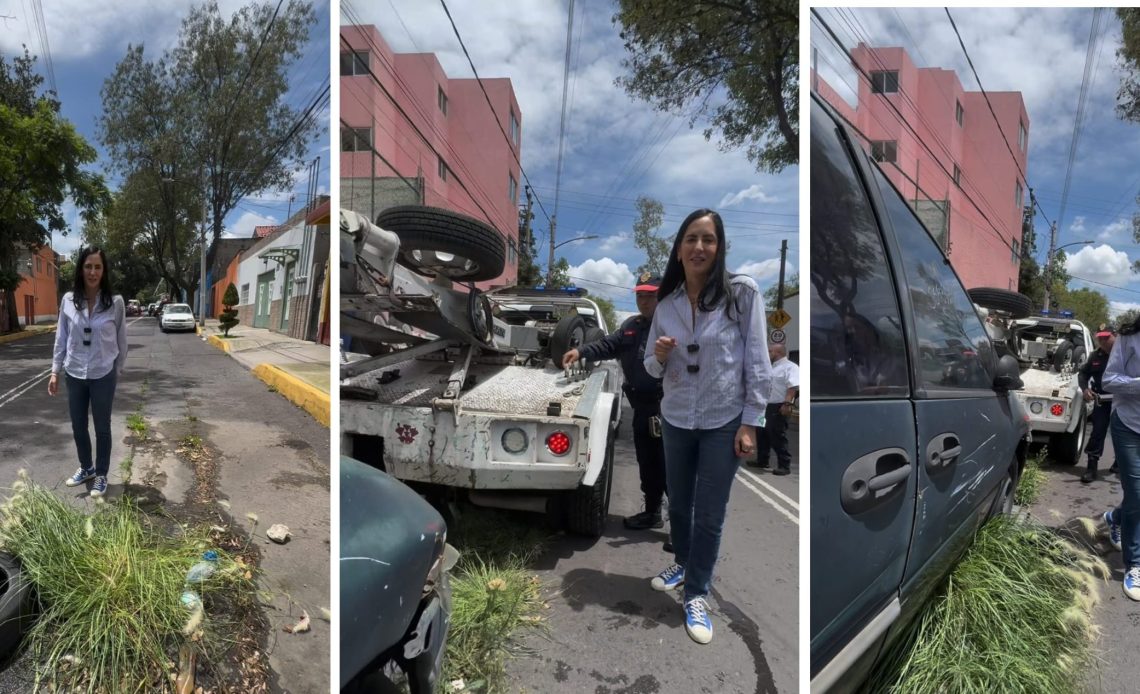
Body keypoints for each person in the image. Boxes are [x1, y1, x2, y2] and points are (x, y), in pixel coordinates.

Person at [643, 208, 771, 644]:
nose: (699, 247)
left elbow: (757, 359)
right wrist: (659, 356)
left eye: (709, 239)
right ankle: (682, 562)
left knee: (710, 515)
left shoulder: (742, 293)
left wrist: (751, 422)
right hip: (677, 418)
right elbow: (649, 368)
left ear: (720, 248)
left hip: (723, 420)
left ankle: (696, 592)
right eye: (691, 239)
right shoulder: (667, 305)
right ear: (678, 250)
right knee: (678, 504)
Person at [563, 274, 668, 538]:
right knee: (647, 463)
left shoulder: (671, 326)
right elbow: (609, 344)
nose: (644, 301)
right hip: (642, 409)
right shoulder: (631, 326)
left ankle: (680, 528)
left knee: (671, 467)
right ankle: (653, 512)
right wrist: (582, 351)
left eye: (650, 295)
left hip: (667, 409)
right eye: (640, 295)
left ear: (661, 296)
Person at [48, 246, 128, 498]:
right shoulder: (69, 300)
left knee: (102, 427)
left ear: (103, 271)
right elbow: (61, 337)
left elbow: (122, 340)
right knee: (78, 425)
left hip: (103, 374)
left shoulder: (115, 303)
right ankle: (87, 467)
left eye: (97, 267)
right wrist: (55, 371)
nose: (92, 272)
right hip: (75, 373)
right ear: (81, 269)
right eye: (88, 266)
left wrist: (117, 370)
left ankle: (102, 474)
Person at [1101, 316, 1140, 601]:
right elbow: (1109, 380)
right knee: (1137, 495)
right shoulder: (1129, 337)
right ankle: (1135, 564)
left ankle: (1114, 518)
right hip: (1129, 425)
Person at [750, 343, 798, 475]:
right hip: (765, 406)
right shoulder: (770, 367)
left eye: (770, 351)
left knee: (777, 435)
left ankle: (784, 465)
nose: (768, 353)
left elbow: (792, 387)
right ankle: (762, 460)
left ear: (777, 353)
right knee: (762, 434)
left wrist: (787, 404)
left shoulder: (790, 367)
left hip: (778, 406)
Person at [1079, 326, 1116, 483]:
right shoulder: (1096, 356)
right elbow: (1083, 373)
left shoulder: (1126, 355)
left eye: (1106, 337)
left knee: (1122, 434)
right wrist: (1085, 388)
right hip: (1102, 400)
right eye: (1100, 338)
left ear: (1116, 337)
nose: (1102, 341)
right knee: (1098, 432)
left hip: (1123, 402)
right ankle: (1091, 468)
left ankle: (1120, 464)